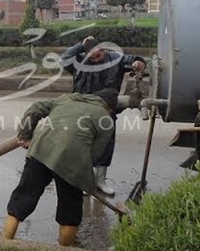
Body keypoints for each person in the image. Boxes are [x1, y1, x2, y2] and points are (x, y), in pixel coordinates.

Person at [1, 88, 119, 247]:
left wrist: (25, 135)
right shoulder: (106, 119)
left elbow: (35, 108)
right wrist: (83, 175)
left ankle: (3, 243)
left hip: (40, 151)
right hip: (73, 163)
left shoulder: (66, 99)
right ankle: (65, 247)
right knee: (69, 212)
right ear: (110, 107)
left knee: (22, 199)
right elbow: (95, 154)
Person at [59, 36, 146, 196]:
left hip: (106, 110)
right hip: (82, 110)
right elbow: (63, 59)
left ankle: (100, 180)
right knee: (83, 144)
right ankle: (86, 181)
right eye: (91, 56)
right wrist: (81, 45)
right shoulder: (79, 61)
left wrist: (137, 62)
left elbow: (132, 60)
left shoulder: (115, 59)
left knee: (105, 145)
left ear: (104, 49)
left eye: (98, 55)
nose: (95, 59)